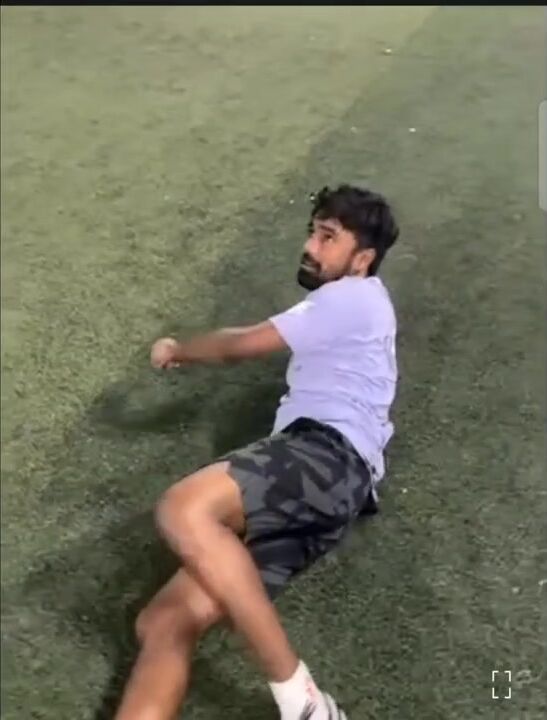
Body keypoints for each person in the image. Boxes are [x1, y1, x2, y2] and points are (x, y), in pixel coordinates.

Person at [114, 184, 400, 720]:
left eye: (328, 237)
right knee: (165, 622)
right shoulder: (356, 311)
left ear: (362, 259)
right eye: (312, 232)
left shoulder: (352, 296)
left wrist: (178, 350)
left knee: (184, 508)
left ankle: (303, 701)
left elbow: (241, 344)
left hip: (326, 456)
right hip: (328, 494)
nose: (310, 246)